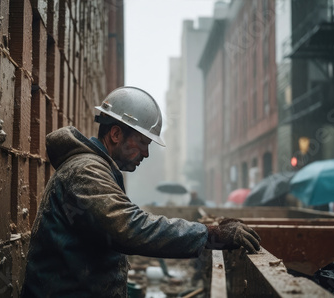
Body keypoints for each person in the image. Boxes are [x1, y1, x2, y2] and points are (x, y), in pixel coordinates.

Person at [20, 86, 261, 297]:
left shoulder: (95, 169)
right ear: (115, 134)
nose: (146, 153)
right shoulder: (87, 171)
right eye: (143, 142)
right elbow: (129, 228)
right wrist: (210, 235)